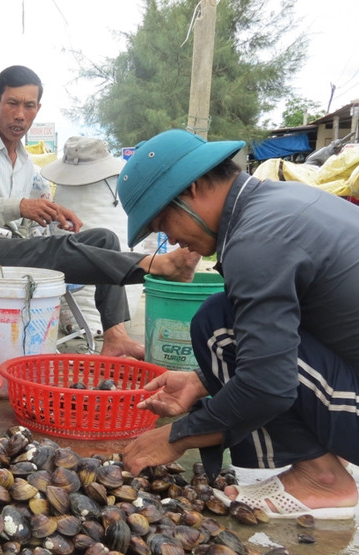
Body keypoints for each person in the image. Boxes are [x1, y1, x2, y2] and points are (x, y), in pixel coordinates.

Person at [119, 128, 359, 520]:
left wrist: (176, 437)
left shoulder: (257, 241)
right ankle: (322, 465)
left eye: (164, 224)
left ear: (193, 188)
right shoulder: (278, 203)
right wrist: (200, 382)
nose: (174, 241)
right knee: (219, 315)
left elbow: (268, 386)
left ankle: (323, 479)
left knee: (219, 326)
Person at [0, 65, 201, 359]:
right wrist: (19, 206)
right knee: (57, 247)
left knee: (103, 238)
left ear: (38, 109)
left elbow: (19, 216)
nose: (20, 114)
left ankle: (115, 336)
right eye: (12, 103)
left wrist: (51, 210)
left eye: (29, 105)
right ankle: (155, 265)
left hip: (6, 248)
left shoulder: (24, 161)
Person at [40, 136, 142, 337]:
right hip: (70, 268)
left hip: (73, 266)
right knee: (105, 250)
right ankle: (113, 324)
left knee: (108, 247)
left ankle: (111, 323)